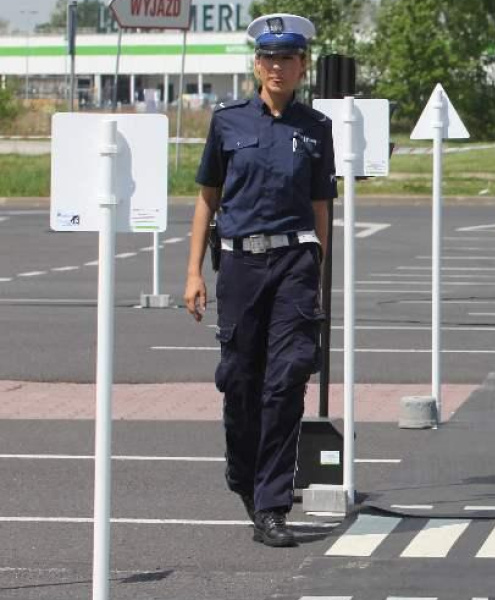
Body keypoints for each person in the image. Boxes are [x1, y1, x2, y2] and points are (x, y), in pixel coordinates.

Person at [183, 13, 336, 548]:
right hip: (241, 266)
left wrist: (319, 277)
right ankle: (242, 473)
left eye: (287, 59)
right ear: (256, 65)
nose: (277, 67)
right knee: (241, 382)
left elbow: (321, 207)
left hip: (295, 263)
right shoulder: (228, 123)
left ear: (302, 66)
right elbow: (207, 199)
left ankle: (272, 505)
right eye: (269, 59)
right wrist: (192, 273)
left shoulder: (316, 128)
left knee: (286, 381)